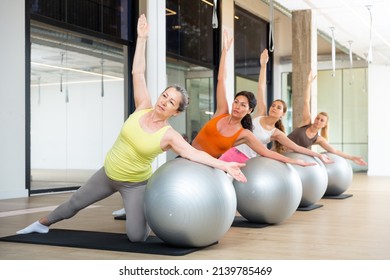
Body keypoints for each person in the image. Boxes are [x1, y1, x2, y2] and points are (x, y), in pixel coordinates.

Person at [16, 14, 247, 242]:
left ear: (175, 112)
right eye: (164, 95)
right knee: (74, 203)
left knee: (137, 237)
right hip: (108, 173)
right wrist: (142, 38)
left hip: (134, 184)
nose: (163, 101)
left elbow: (194, 153)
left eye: (170, 102)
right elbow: (137, 73)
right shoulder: (143, 106)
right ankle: (40, 224)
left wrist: (225, 165)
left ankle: (142, 209)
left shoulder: (169, 135)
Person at [191, 30, 315, 167]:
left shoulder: (251, 133)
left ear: (250, 110)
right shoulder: (223, 112)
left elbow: (268, 152)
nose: (237, 106)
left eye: (243, 105)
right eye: (236, 102)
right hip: (198, 156)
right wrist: (226, 51)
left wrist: (297, 160)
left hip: (237, 163)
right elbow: (223, 80)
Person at [219, 49, 332, 164]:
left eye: (278, 108)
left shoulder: (275, 133)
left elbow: (296, 147)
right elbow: (261, 87)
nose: (274, 108)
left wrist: (319, 155)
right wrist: (263, 66)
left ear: (283, 114)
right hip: (231, 151)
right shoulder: (260, 113)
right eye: (273, 105)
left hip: (247, 161)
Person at [286, 69, 367, 166]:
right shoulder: (306, 122)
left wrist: (352, 158)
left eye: (322, 120)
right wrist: (308, 83)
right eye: (317, 118)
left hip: (291, 158)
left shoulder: (318, 139)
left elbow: (334, 151)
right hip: (279, 149)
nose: (318, 121)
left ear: (324, 125)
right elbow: (306, 101)